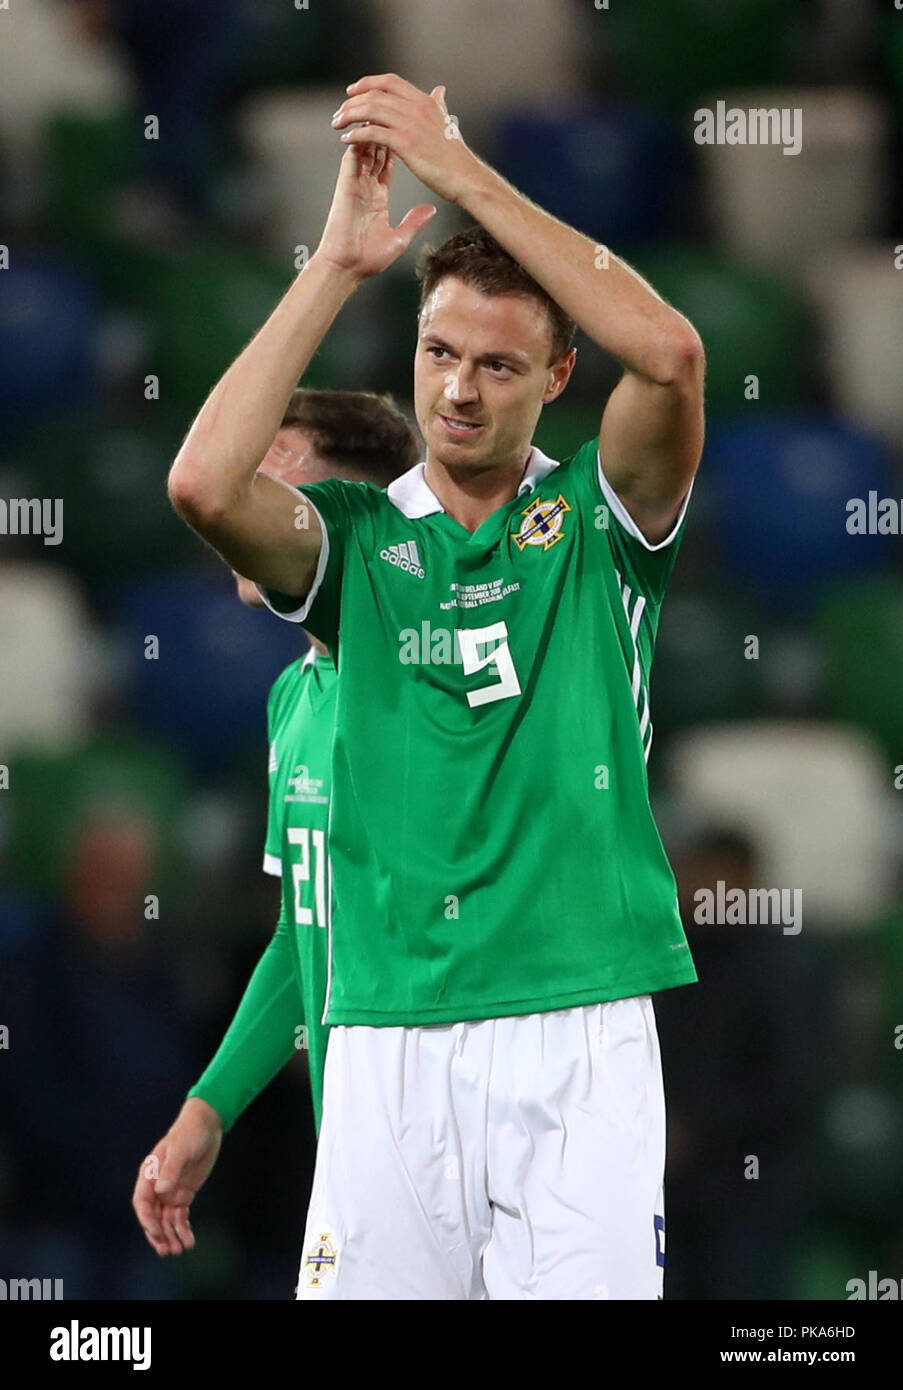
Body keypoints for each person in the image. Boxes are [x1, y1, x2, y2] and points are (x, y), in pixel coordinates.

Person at [167, 74, 705, 1300]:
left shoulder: (596, 520)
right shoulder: (353, 540)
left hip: (576, 1022)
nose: (458, 391)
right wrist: (340, 265)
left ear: (559, 373)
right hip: (381, 1031)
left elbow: (670, 352)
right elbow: (201, 486)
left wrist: (454, 169)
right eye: (438, 351)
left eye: (500, 366)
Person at [132, 389, 418, 1260]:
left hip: (454, 1136)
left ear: (346, 514)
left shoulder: (418, 676)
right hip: (352, 1149)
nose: (239, 513)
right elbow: (306, 933)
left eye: (268, 483)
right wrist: (206, 1107)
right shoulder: (292, 697)